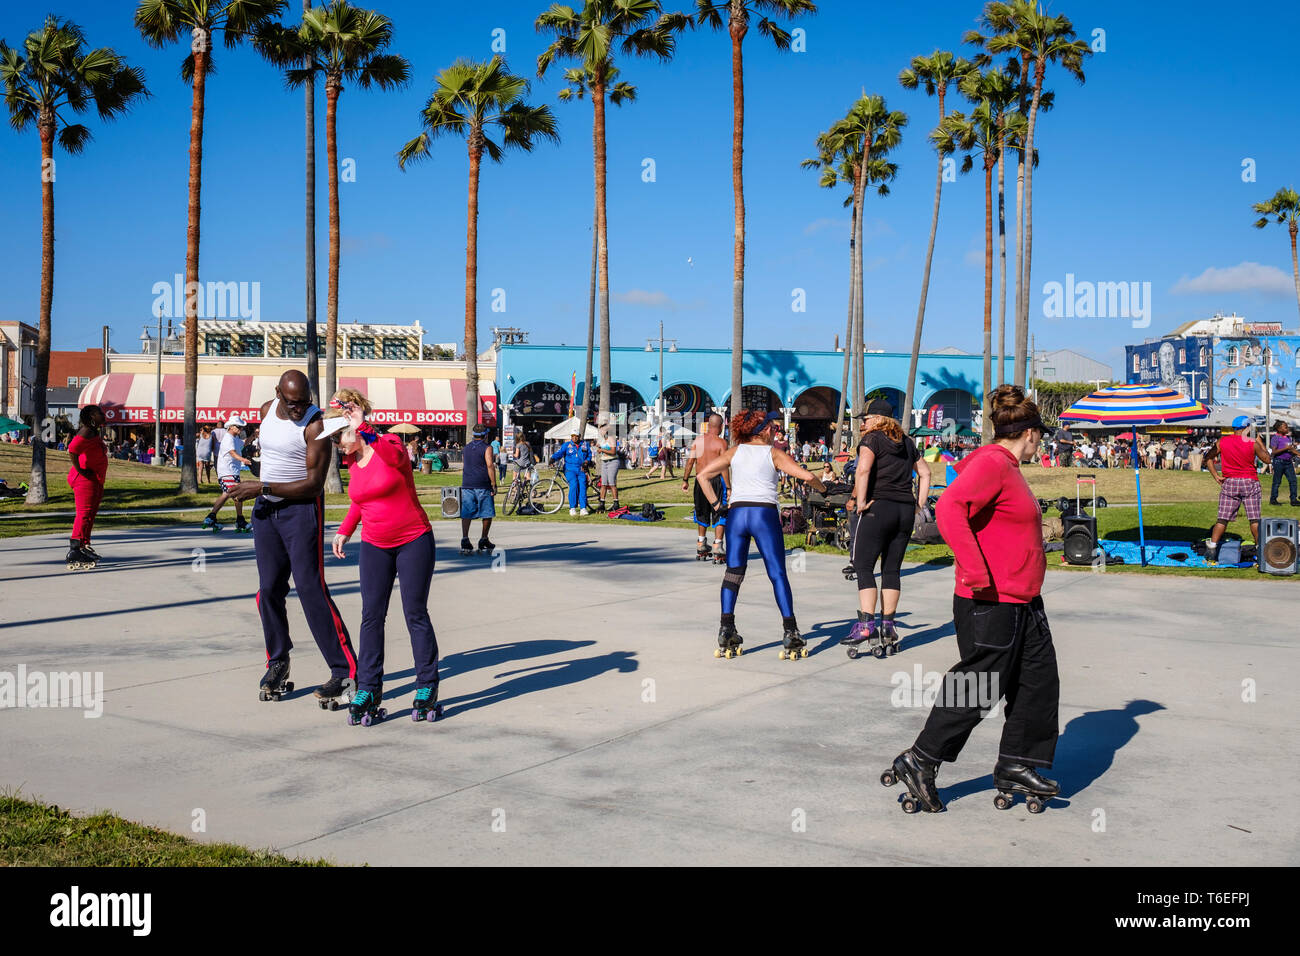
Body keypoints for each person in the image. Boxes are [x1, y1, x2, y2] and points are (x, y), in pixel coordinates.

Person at [885, 385, 1057, 814]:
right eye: (1042, 436)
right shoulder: (993, 464)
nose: (1042, 443)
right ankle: (921, 759)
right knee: (979, 686)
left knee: (1037, 681)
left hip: (1022, 599)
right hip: (991, 598)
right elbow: (950, 509)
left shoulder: (1007, 467)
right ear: (1030, 433)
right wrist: (977, 570)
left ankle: (1019, 762)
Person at [228, 370, 358, 707]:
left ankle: (344, 671)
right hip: (266, 512)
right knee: (268, 589)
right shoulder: (266, 408)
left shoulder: (316, 425)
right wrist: (259, 479)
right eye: (293, 403)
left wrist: (262, 486)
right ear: (278, 396)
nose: (299, 409)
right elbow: (271, 450)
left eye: (304, 402)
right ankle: (278, 661)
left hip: (300, 511)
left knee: (310, 588)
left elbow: (313, 485)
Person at [328, 402, 442, 725]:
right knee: (371, 616)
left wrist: (365, 427)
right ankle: (369, 687)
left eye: (339, 436)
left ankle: (426, 685)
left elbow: (394, 460)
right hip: (375, 545)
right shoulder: (352, 461)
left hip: (414, 540)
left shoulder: (389, 444)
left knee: (415, 613)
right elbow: (360, 501)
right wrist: (345, 530)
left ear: (355, 427)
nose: (337, 444)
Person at [696, 409, 826, 660]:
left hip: (737, 514)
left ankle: (726, 629)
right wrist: (825, 489)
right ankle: (791, 632)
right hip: (763, 515)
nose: (776, 432)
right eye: (775, 428)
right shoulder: (773, 453)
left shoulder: (734, 452)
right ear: (765, 429)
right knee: (777, 573)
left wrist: (716, 505)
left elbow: (702, 476)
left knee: (733, 574)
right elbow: (808, 476)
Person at [843, 399, 931, 656]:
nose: (863, 422)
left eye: (866, 418)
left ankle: (866, 625)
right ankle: (888, 627)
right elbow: (925, 474)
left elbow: (863, 470)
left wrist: (859, 502)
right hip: (904, 511)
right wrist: (919, 504)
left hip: (878, 507)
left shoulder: (871, 440)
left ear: (879, 419)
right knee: (891, 569)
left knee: (863, 565)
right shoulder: (907, 442)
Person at [1204, 416, 1272, 562]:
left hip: (1230, 482)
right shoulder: (1252, 442)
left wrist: (1216, 476)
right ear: (1247, 427)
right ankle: (1260, 550)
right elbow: (1267, 459)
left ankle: (1212, 547)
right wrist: (1258, 440)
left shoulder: (1222, 441)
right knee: (1254, 519)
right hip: (1250, 482)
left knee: (1222, 519)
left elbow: (1208, 458)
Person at [681, 411, 729, 562]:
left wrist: (685, 479)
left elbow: (690, 462)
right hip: (716, 480)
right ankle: (718, 545)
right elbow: (724, 467)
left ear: (708, 426)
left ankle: (701, 542)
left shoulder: (698, 441)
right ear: (720, 426)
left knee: (701, 511)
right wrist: (728, 487)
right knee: (720, 512)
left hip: (700, 481)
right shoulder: (721, 443)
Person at [65, 404, 108, 571]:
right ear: (91, 416)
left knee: (90, 514)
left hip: (95, 479)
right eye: (99, 413)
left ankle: (84, 545)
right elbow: (72, 449)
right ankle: (74, 549)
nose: (103, 415)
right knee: (84, 514)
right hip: (84, 480)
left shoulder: (93, 431)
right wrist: (80, 469)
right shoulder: (86, 431)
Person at [203, 416, 253, 532]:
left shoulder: (235, 438)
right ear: (231, 427)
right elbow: (232, 452)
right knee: (235, 494)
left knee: (229, 494)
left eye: (242, 427)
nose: (241, 429)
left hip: (232, 471)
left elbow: (244, 444)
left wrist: (253, 436)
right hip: (227, 471)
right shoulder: (228, 438)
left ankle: (213, 517)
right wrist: (242, 460)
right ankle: (237, 520)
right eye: (239, 427)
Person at [459, 424, 498, 553]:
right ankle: (483, 538)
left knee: (467, 512)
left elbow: (465, 464)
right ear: (485, 435)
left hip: (467, 484)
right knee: (486, 512)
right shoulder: (487, 447)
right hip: (482, 484)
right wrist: (493, 483)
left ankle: (465, 538)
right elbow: (490, 465)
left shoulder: (466, 448)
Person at [550, 428, 591, 516]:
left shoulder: (585, 444)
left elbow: (589, 455)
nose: (574, 438)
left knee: (582, 487)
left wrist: (587, 461)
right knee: (574, 485)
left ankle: (583, 508)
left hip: (581, 469)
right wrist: (553, 458)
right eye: (572, 436)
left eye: (576, 436)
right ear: (571, 437)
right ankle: (572, 508)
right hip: (570, 469)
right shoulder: (566, 445)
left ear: (579, 436)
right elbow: (559, 453)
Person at [1268, 420, 1298, 506]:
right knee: (1277, 482)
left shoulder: (1288, 438)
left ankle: (1293, 500)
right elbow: (1274, 452)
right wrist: (1286, 448)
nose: (1287, 429)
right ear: (1279, 428)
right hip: (1278, 462)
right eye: (1285, 427)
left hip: (1288, 462)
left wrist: (1295, 453)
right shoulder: (1275, 438)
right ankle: (1273, 500)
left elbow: (1290, 450)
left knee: (1293, 481)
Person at [595, 421, 621, 513]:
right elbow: (603, 449)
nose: (600, 432)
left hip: (612, 462)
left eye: (601, 430)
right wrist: (599, 447)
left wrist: (602, 449)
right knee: (603, 484)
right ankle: (602, 503)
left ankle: (616, 503)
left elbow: (613, 452)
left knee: (612, 483)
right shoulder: (603, 440)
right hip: (604, 462)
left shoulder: (611, 438)